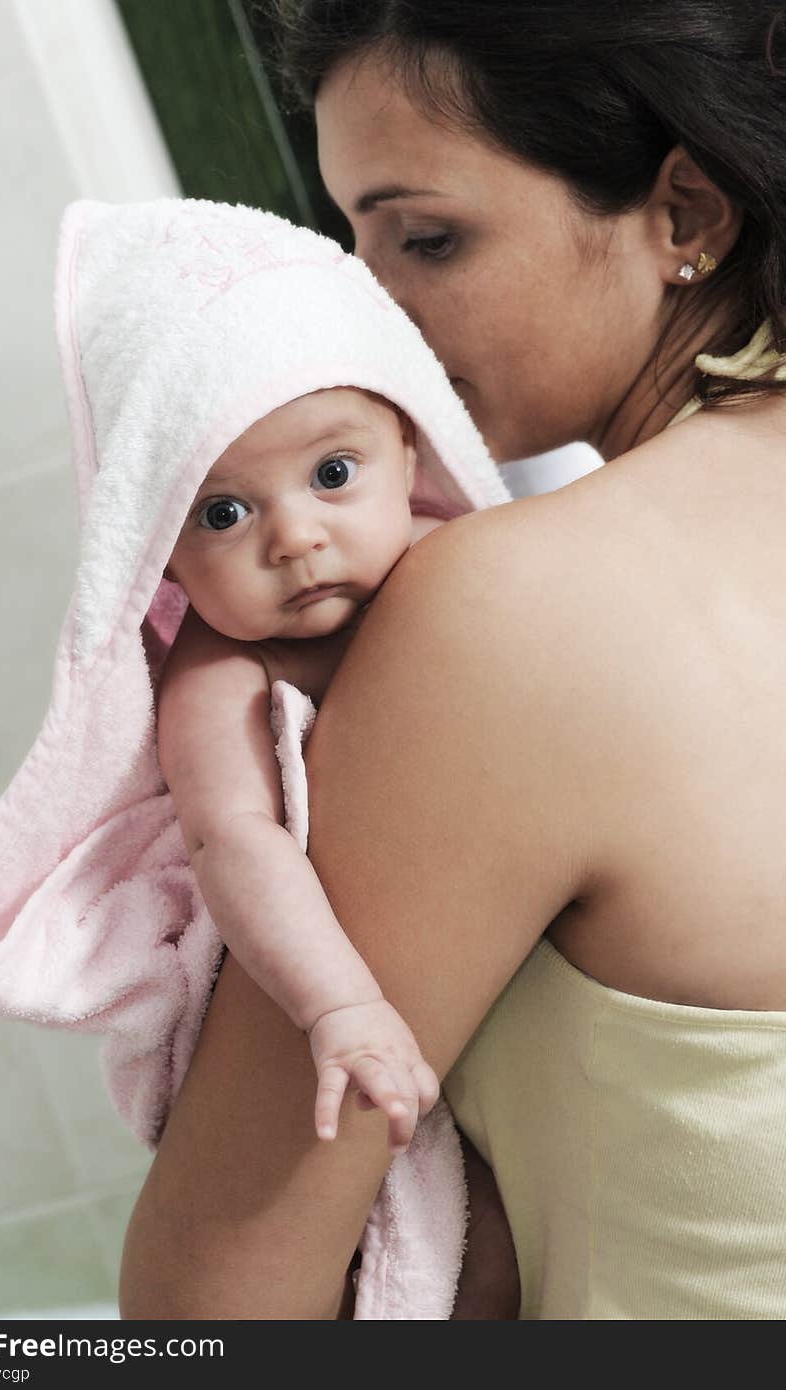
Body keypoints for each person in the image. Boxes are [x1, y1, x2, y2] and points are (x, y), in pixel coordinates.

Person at [119, 0, 786, 1320]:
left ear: (686, 211)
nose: (367, 313)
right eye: (348, 245)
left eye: (427, 238)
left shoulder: (516, 611)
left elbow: (209, 1313)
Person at [160, 382, 443, 1156]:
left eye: (333, 473)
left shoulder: (461, 562)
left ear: (409, 456)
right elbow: (232, 835)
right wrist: (339, 1007)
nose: (293, 536)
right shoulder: (221, 672)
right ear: (163, 560)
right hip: (346, 984)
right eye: (221, 513)